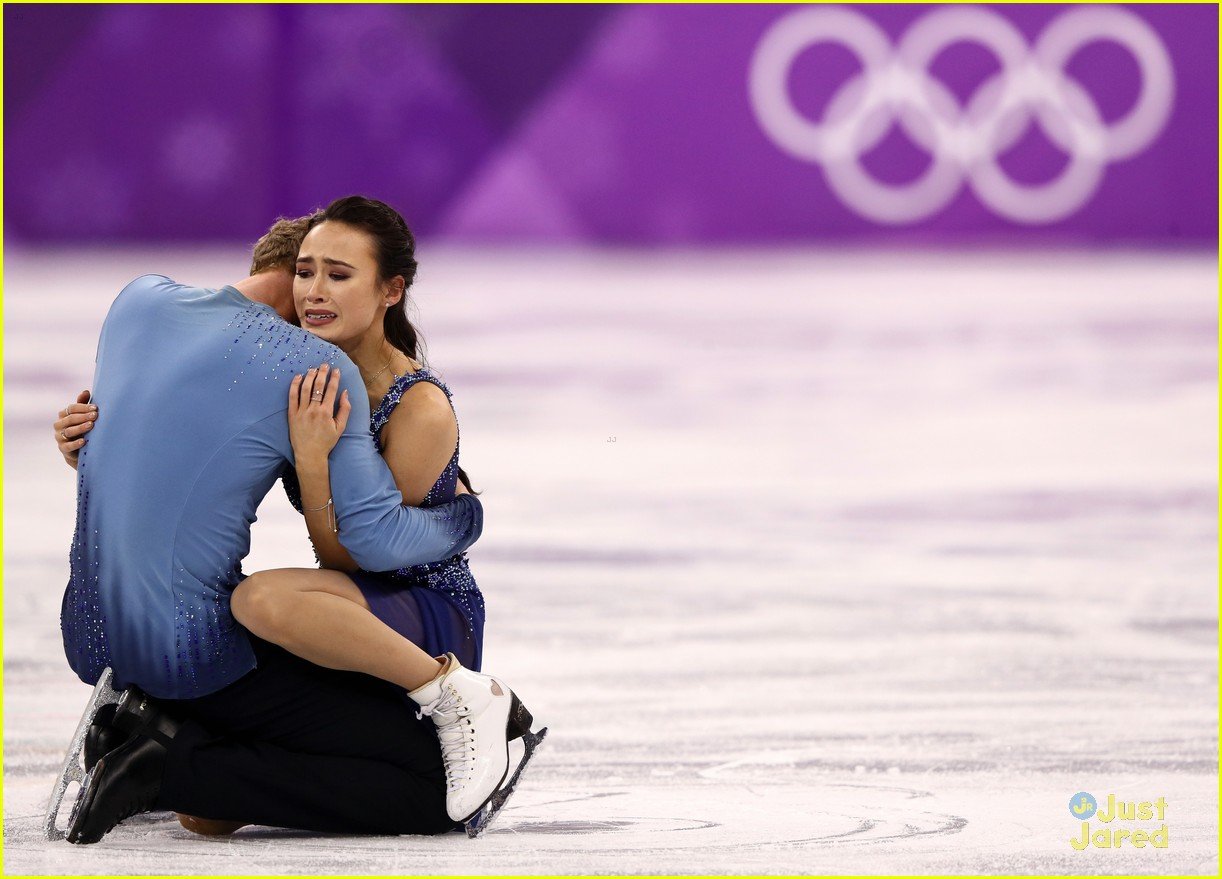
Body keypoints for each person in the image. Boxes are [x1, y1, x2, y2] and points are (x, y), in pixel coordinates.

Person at [51, 203, 543, 844]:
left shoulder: (416, 405)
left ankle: (452, 696)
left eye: (337, 276)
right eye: (307, 274)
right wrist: (94, 441)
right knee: (207, 819)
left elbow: (366, 559)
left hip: (410, 613)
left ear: (389, 291)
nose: (313, 293)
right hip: (338, 609)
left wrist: (450, 512)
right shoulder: (295, 376)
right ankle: (167, 748)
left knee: (262, 601)